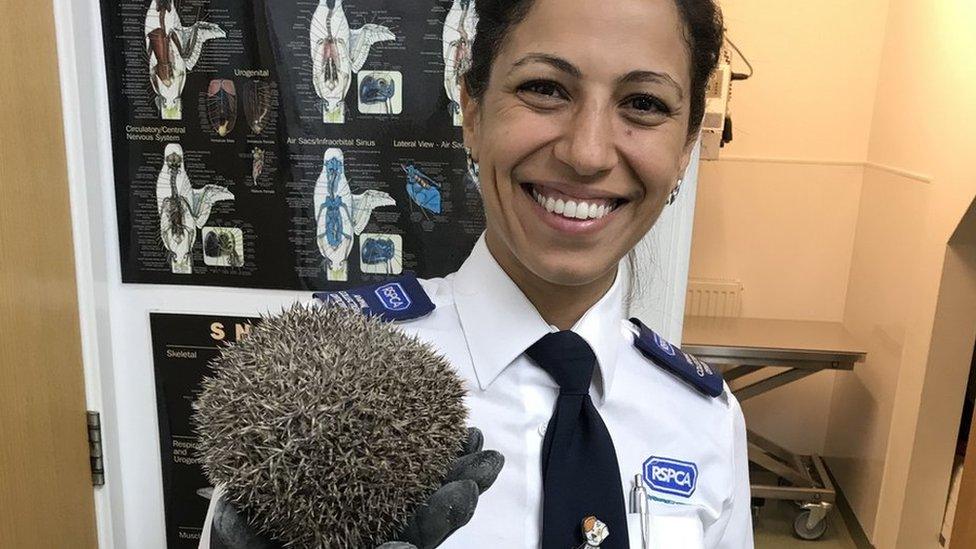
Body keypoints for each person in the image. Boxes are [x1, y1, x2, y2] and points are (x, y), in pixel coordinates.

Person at [199, 0, 752, 547]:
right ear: (473, 112)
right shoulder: (315, 374)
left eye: (643, 102)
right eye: (545, 88)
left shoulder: (705, 419)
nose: (587, 154)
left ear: (684, 150)